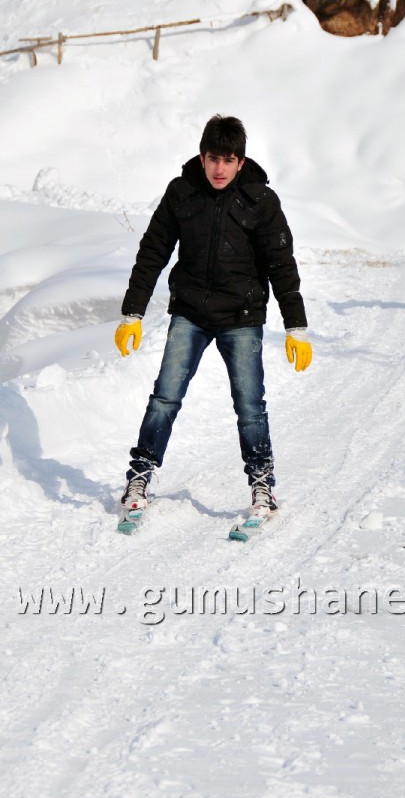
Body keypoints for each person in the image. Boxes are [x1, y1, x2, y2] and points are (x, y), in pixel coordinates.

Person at [114, 114, 312, 524]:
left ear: (241, 162)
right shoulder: (182, 192)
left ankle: (262, 485)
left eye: (228, 160)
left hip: (241, 317)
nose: (220, 169)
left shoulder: (260, 200)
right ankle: (139, 477)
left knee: (250, 405)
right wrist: (132, 312)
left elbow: (281, 264)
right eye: (213, 159)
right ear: (202, 158)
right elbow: (153, 251)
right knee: (165, 397)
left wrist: (296, 326)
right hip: (190, 313)